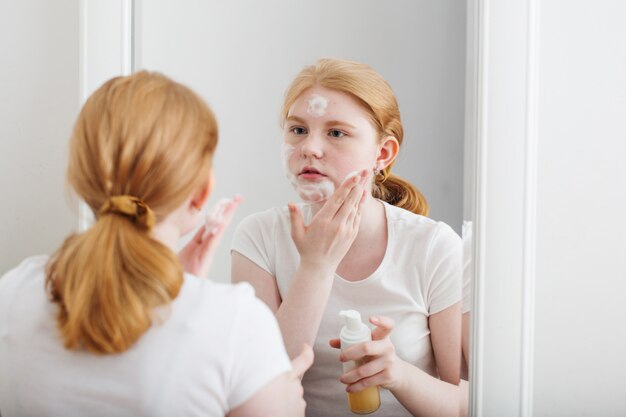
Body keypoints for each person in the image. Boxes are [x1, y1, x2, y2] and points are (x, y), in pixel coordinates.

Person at [0, 71, 313, 417]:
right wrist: (285, 405)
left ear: (81, 178)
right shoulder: (234, 322)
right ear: (201, 192)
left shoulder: (13, 292)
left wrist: (179, 284)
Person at [231, 58, 464, 417]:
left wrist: (398, 374)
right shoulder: (259, 237)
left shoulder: (434, 246)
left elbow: (464, 403)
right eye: (297, 130)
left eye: (336, 133)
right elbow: (259, 392)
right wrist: (315, 268)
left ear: (382, 154)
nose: (309, 147)